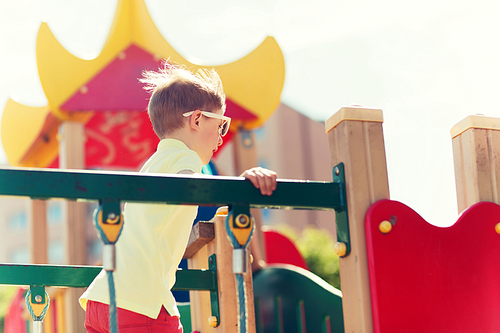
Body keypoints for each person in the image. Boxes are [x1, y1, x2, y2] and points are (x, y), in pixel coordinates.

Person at [79, 62, 277, 332]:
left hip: (103, 298)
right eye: (220, 125)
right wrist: (239, 187)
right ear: (197, 120)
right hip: (139, 303)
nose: (221, 138)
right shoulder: (186, 158)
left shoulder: (153, 164)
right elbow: (191, 186)